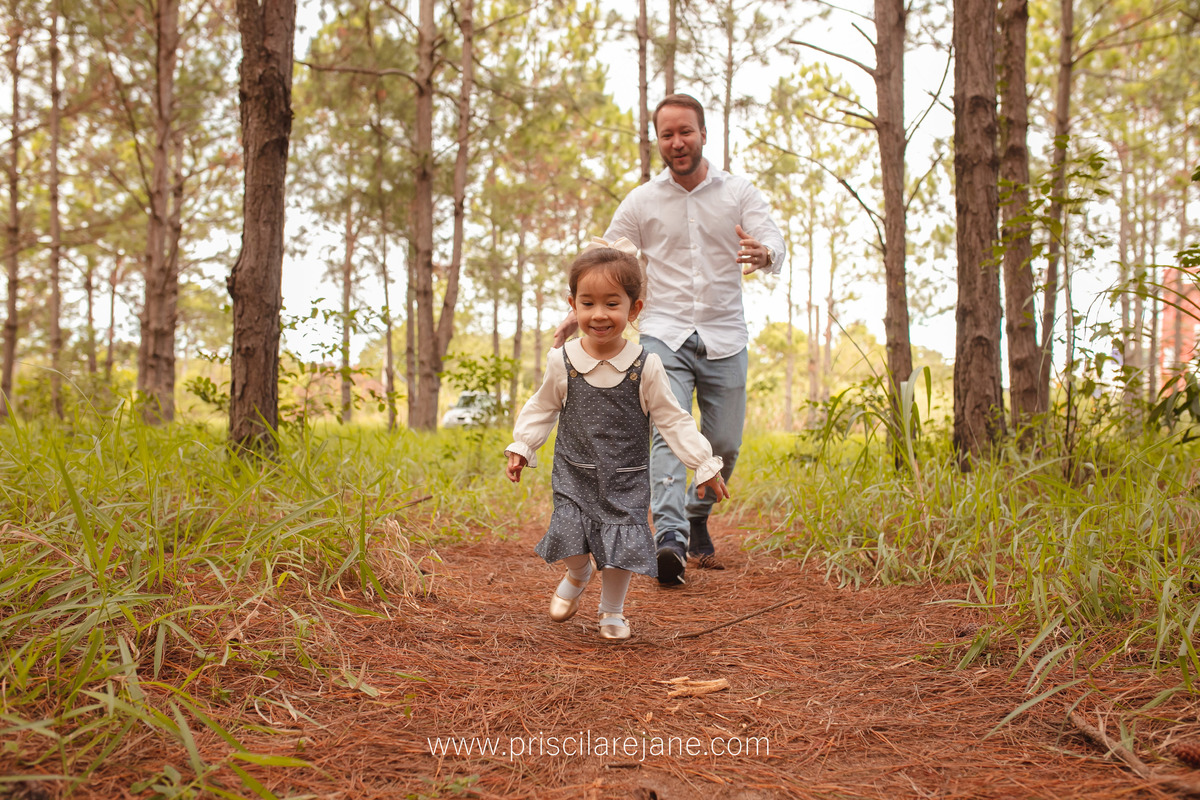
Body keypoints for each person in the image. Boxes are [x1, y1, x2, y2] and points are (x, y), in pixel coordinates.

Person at [554, 93, 786, 587]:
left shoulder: (738, 192)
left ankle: (697, 515)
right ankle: (671, 540)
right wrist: (578, 312)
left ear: (703, 134)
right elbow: (605, 255)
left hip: (726, 334)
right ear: (658, 141)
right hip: (663, 332)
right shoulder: (643, 201)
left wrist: (764, 252)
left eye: (686, 132)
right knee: (665, 427)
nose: (677, 142)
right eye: (667, 134)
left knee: (723, 442)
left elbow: (772, 238)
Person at [506, 240, 729, 641]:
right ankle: (578, 574)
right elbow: (542, 407)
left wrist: (702, 463)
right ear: (573, 305)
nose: (599, 314)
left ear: (634, 308)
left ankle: (612, 610)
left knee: (621, 545)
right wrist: (524, 445)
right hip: (575, 473)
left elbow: (672, 419)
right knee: (571, 535)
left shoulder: (646, 365)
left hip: (625, 477)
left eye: (612, 303)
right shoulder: (564, 361)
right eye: (588, 303)